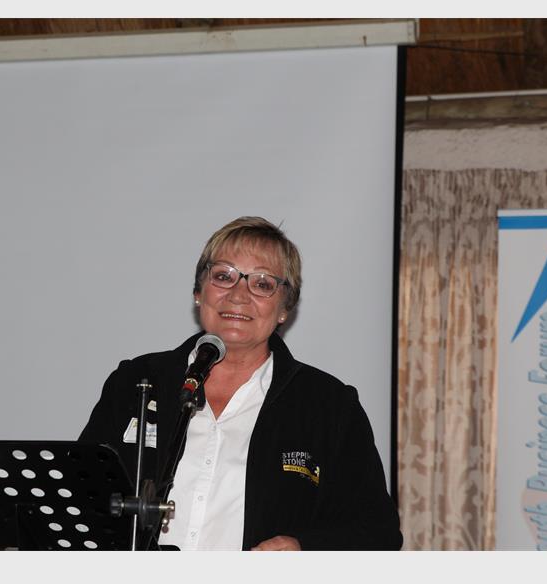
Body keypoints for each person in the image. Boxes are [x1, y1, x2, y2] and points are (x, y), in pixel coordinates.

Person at [80, 216, 403, 550]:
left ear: (285, 308)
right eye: (224, 276)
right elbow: (82, 496)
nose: (238, 295)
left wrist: (303, 548)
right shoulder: (136, 382)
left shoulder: (329, 406)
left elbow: (377, 532)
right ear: (198, 292)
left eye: (262, 284)